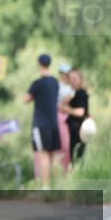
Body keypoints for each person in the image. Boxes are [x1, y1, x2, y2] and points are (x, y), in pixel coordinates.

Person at [25, 54, 60, 189]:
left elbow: (26, 99)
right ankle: (54, 184)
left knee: (43, 155)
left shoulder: (37, 83)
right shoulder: (55, 82)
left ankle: (46, 186)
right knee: (52, 155)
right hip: (53, 123)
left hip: (41, 124)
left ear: (39, 64)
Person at [63, 69, 90, 167]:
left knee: (77, 156)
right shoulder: (75, 94)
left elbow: (81, 112)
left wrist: (67, 109)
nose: (72, 81)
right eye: (71, 78)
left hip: (78, 129)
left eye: (75, 78)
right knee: (75, 156)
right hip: (76, 129)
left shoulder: (80, 93)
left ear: (80, 79)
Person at [56, 64, 74, 173]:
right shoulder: (58, 86)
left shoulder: (73, 87)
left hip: (69, 117)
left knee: (68, 145)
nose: (64, 76)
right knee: (60, 145)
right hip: (59, 117)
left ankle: (68, 170)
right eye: (62, 73)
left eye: (66, 74)